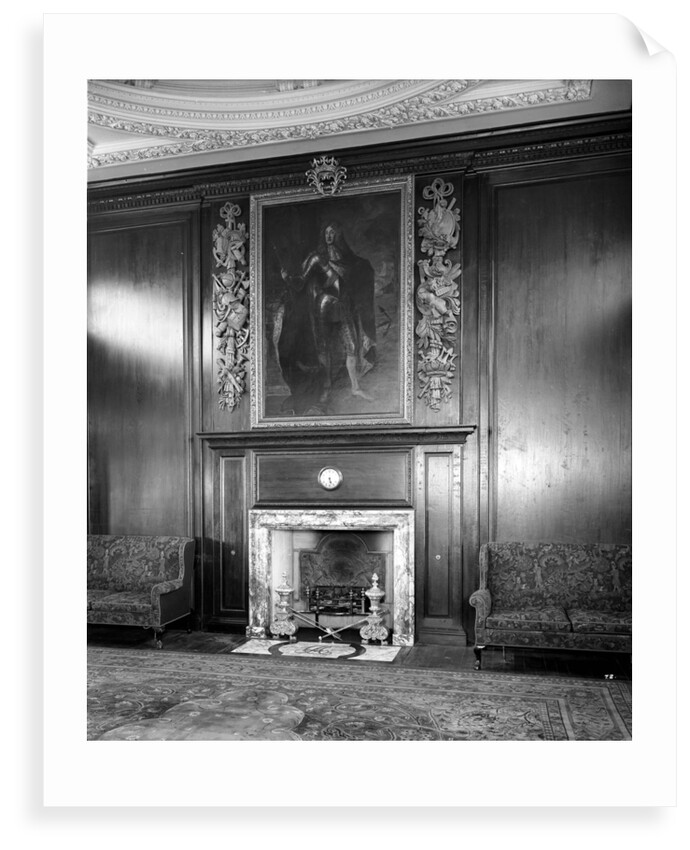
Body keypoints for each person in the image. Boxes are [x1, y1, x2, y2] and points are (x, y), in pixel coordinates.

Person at [275, 221, 377, 412]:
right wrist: (287, 277)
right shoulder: (316, 258)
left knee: (352, 346)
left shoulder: (349, 260)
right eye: (327, 233)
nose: (329, 236)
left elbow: (350, 283)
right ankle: (325, 390)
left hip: (343, 306)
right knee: (324, 347)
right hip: (323, 307)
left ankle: (355, 387)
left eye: (333, 232)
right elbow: (300, 281)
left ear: (339, 235)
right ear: (323, 235)